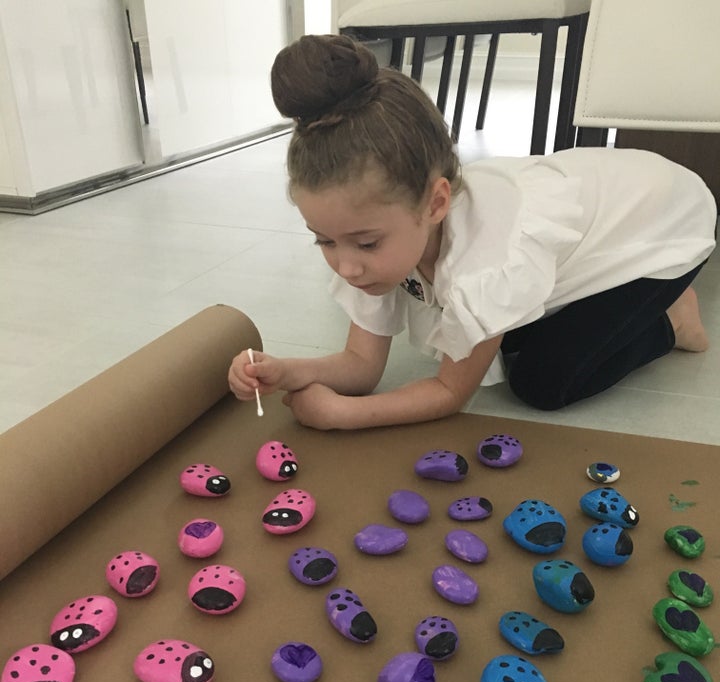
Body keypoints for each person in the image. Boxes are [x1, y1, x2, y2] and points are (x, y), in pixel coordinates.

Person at [228, 34, 717, 430]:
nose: (347, 266)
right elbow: (361, 363)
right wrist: (286, 371)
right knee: (492, 333)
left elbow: (448, 393)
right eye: (324, 240)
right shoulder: (379, 238)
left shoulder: (485, 255)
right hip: (603, 203)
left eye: (367, 243)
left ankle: (674, 319)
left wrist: (345, 415)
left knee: (542, 383)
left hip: (663, 222)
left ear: (436, 203)